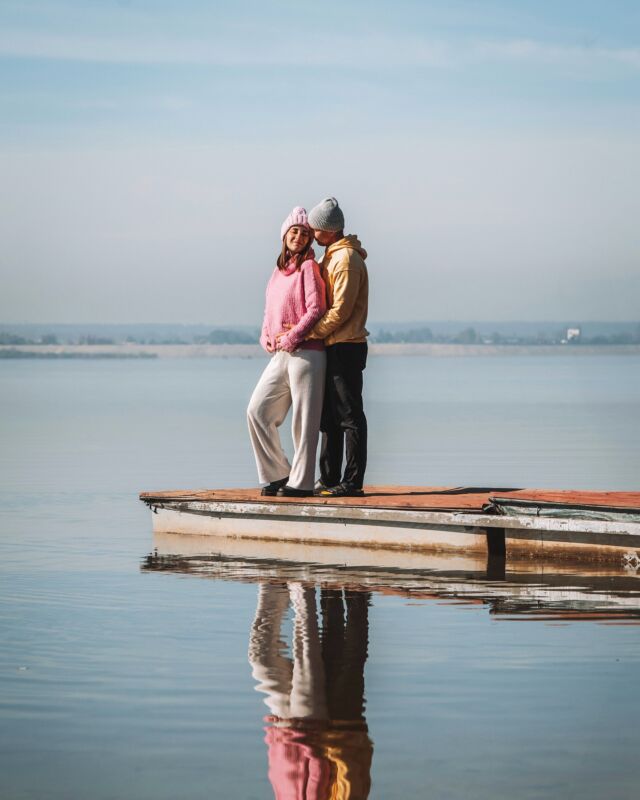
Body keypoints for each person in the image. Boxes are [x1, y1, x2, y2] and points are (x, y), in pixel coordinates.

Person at [247, 207, 327, 498]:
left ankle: (302, 483)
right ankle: (277, 473)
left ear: (309, 240)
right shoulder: (277, 272)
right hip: (281, 354)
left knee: (303, 422)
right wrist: (265, 336)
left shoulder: (309, 267)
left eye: (305, 233)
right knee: (257, 411)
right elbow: (269, 311)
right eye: (294, 231)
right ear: (285, 235)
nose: (299, 236)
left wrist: (293, 335)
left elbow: (316, 308)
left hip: (308, 354)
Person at [306, 198, 369, 498]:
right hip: (332, 344)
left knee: (349, 416)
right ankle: (328, 478)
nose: (311, 233)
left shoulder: (344, 260)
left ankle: (352, 482)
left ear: (328, 231)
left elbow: (340, 311)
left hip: (346, 345)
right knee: (328, 417)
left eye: (315, 229)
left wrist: (308, 333)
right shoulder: (330, 256)